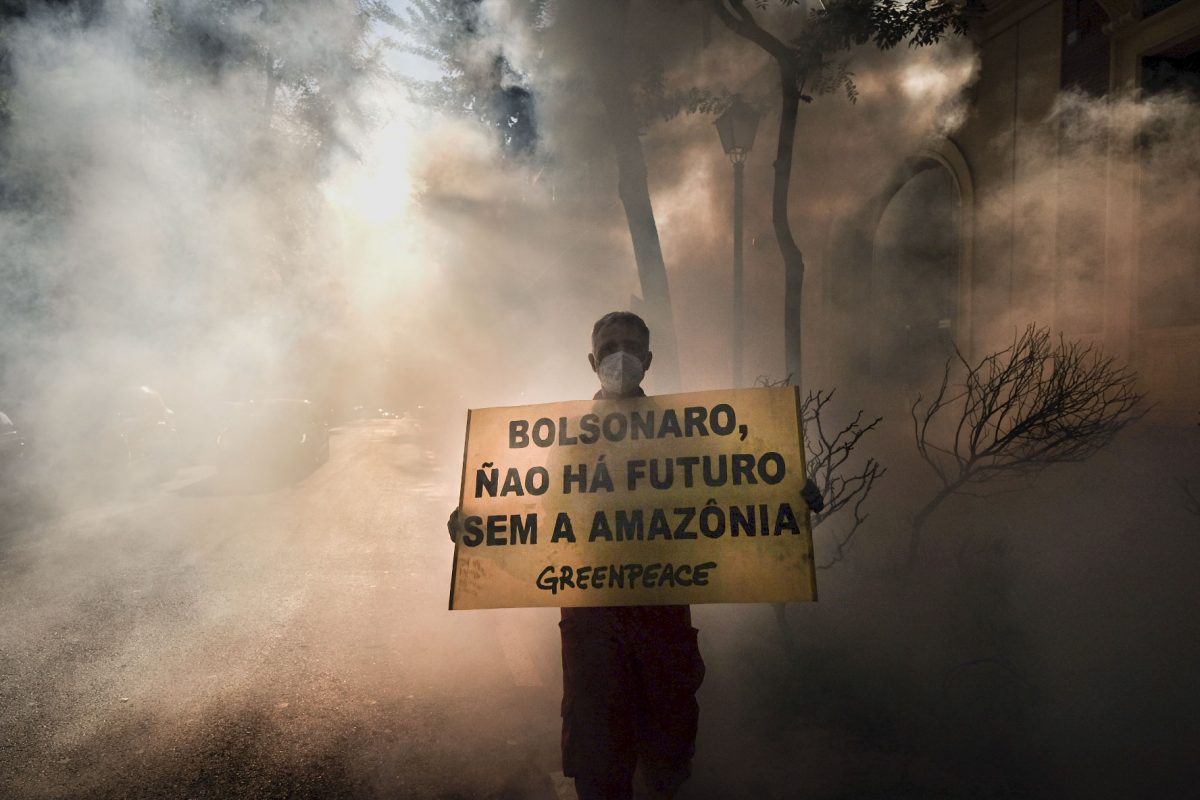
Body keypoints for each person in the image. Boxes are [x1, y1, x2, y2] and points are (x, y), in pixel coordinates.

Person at [449, 311, 823, 800]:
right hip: (593, 626)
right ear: (591, 360)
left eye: (629, 346)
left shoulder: (684, 432)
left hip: (662, 619)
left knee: (666, 759)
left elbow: (734, 487)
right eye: (608, 348)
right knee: (598, 762)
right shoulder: (566, 439)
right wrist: (477, 523)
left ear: (647, 359)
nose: (618, 356)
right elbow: (536, 513)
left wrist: (792, 495)